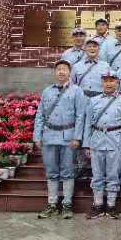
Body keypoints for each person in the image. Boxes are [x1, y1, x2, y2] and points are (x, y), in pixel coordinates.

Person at [33, 60, 85, 219]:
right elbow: (40, 115)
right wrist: (37, 136)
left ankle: (67, 205)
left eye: (64, 69)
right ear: (55, 72)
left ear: (70, 73)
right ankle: (52, 204)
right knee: (51, 171)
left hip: (68, 137)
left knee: (68, 172)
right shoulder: (47, 91)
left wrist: (77, 137)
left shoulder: (77, 91)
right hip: (49, 136)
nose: (61, 72)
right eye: (59, 69)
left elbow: (80, 116)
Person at [81, 69, 121, 219]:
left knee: (113, 174)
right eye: (106, 80)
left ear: (117, 82)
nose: (109, 83)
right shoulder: (93, 100)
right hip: (96, 140)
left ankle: (111, 205)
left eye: (112, 80)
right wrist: (86, 144)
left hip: (115, 140)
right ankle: (97, 205)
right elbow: (87, 124)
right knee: (97, 175)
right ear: (102, 82)